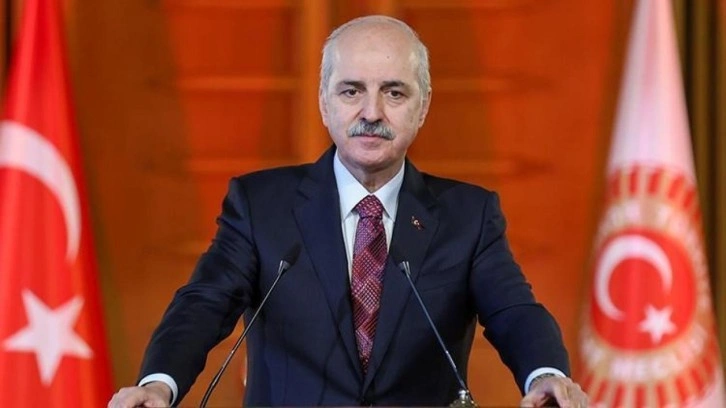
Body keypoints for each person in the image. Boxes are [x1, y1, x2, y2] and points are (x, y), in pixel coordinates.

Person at [109, 15, 587, 408]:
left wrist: (545, 375)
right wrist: (159, 384)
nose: (372, 112)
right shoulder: (260, 205)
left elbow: (513, 311)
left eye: (394, 92)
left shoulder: (469, 215)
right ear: (324, 102)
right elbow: (204, 304)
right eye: (351, 91)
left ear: (423, 107)